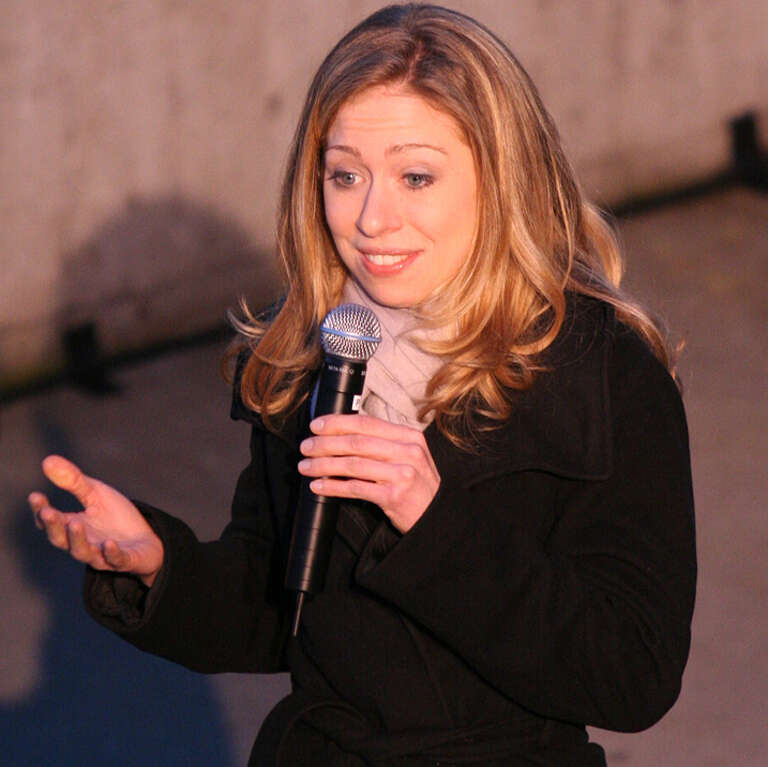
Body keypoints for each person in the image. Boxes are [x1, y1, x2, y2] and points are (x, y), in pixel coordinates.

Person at [28, 4, 696, 765]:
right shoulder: (313, 355)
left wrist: (430, 516)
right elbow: (274, 609)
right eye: (346, 175)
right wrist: (158, 566)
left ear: (502, 179)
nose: (374, 218)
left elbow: (633, 674)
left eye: (417, 176)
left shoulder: (603, 371)